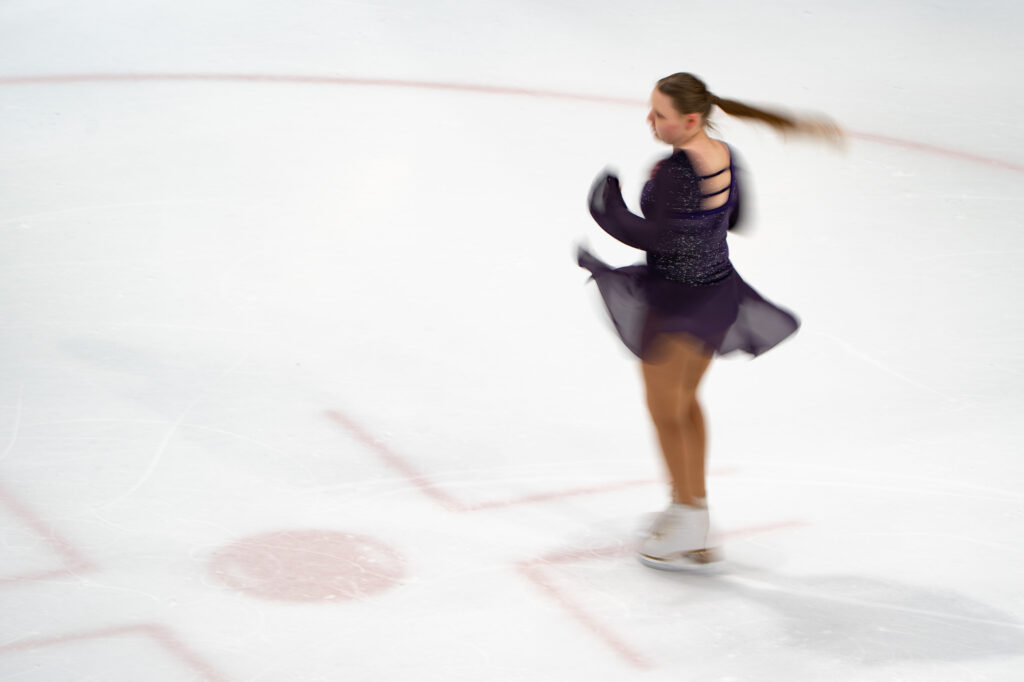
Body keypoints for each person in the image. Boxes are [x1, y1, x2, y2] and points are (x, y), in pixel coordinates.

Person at [578, 72, 838, 570]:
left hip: (677, 303)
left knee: (664, 410)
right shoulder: (723, 155)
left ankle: (690, 518)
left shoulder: (677, 171)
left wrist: (606, 205)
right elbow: (736, 218)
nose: (650, 121)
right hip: (717, 295)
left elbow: (654, 236)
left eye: (659, 114)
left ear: (690, 120)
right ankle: (693, 520)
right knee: (685, 404)